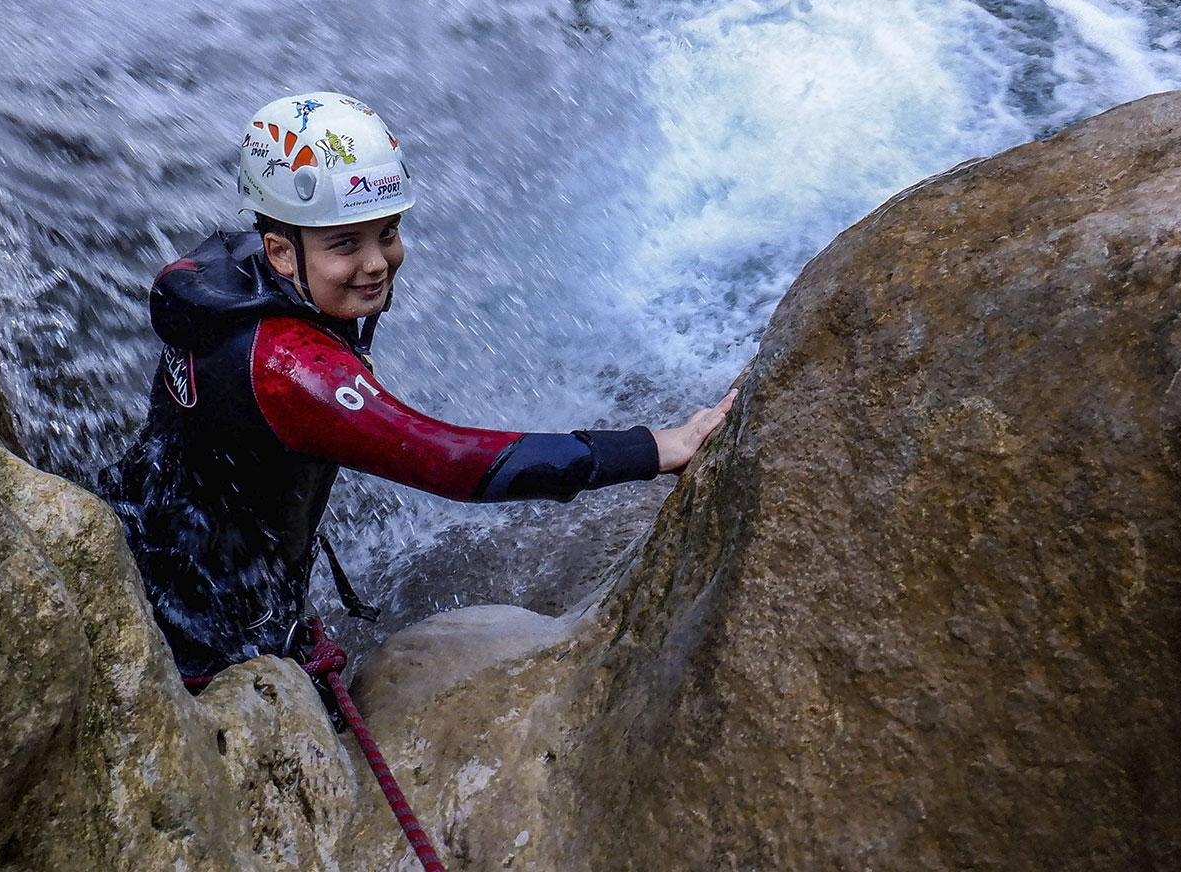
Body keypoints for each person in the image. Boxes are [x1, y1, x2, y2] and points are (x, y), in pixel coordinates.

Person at [99, 92, 737, 684]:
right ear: (282, 250)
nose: (377, 263)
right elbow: (455, 461)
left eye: (388, 232)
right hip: (202, 637)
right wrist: (655, 448)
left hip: (150, 555)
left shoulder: (223, 284)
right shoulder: (291, 369)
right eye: (346, 244)